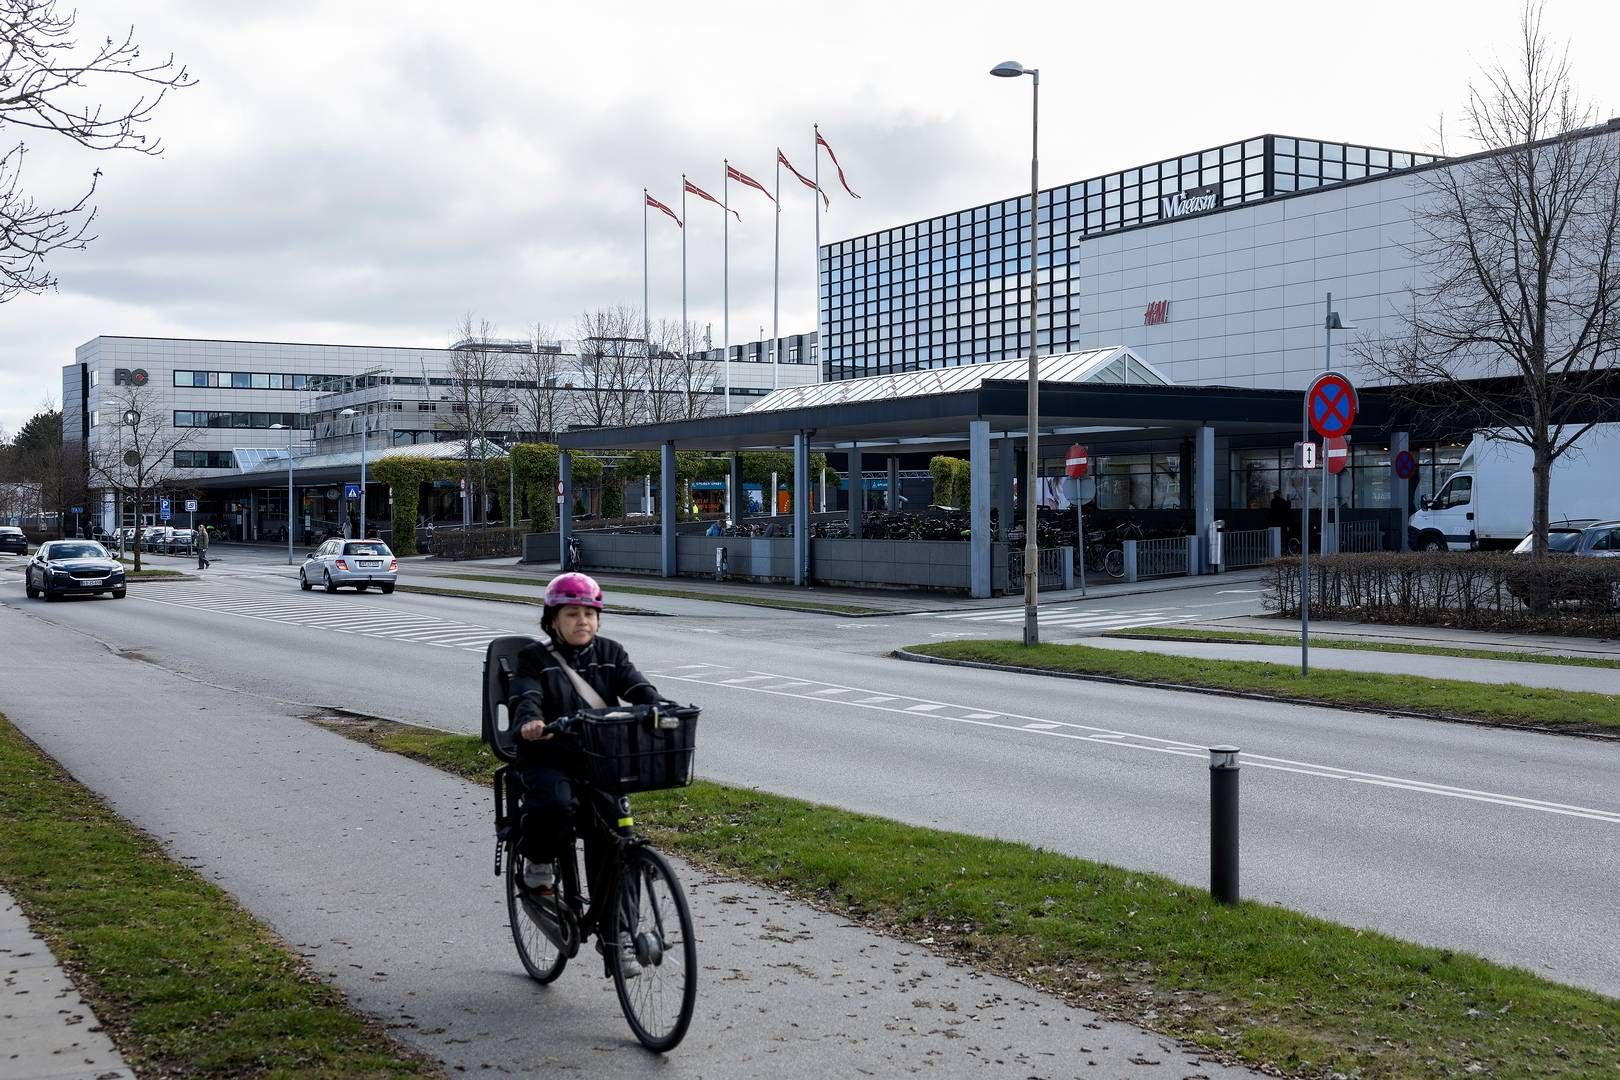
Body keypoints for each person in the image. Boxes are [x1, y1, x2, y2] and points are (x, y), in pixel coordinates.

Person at [506, 572, 660, 976]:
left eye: (590, 614)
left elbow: (637, 686)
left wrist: (658, 708)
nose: (583, 622)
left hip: (599, 761)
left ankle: (619, 935)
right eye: (572, 614)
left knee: (616, 839)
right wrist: (531, 721)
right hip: (548, 756)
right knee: (556, 805)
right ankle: (538, 866)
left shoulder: (611, 653)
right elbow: (525, 696)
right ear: (552, 620)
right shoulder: (533, 660)